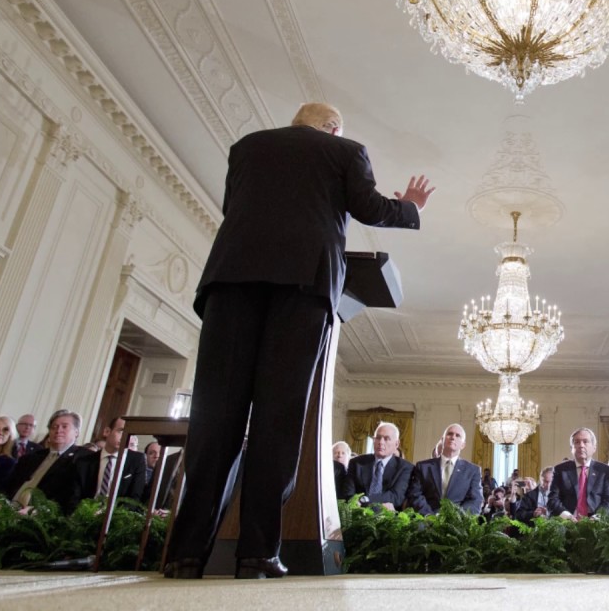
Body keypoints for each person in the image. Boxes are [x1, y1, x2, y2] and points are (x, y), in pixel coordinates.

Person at [163, 103, 433, 581]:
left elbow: (237, 209)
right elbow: (369, 208)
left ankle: (186, 553)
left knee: (214, 418)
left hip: (232, 283)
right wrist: (410, 206)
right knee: (277, 418)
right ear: (333, 128)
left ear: (294, 122)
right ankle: (256, 554)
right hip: (303, 287)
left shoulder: (246, 148)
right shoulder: (345, 150)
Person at [3, 409, 85, 510]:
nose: (58, 430)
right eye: (54, 427)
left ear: (76, 432)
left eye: (64, 426)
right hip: (8, 509)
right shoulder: (31, 457)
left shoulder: (81, 459)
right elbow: (8, 486)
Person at [407, 423, 483, 515]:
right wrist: (429, 516)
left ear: (463, 445)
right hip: (426, 519)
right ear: (442, 440)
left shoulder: (472, 470)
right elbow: (415, 495)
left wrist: (456, 518)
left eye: (457, 435)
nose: (453, 437)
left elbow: (475, 500)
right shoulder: (423, 467)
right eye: (449, 434)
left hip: (457, 523)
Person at [74, 417, 146, 510]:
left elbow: (134, 498)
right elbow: (75, 495)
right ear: (107, 431)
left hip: (117, 517)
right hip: (86, 514)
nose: (126, 437)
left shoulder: (137, 460)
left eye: (130, 434)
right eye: (121, 431)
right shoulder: (85, 461)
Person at [342, 422, 414, 511]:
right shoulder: (356, 463)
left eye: (387, 439)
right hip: (358, 514)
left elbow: (396, 496)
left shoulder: (405, 467)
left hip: (388, 517)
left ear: (396, 444)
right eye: (378, 438)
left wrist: (365, 499)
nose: (381, 442)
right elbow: (348, 494)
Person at [547, 428, 609, 518]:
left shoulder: (604, 471)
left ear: (594, 447)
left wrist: (597, 518)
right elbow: (552, 500)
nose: (581, 445)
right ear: (571, 448)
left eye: (585, 441)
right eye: (576, 442)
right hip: (566, 523)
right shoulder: (560, 470)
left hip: (597, 524)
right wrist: (567, 517)